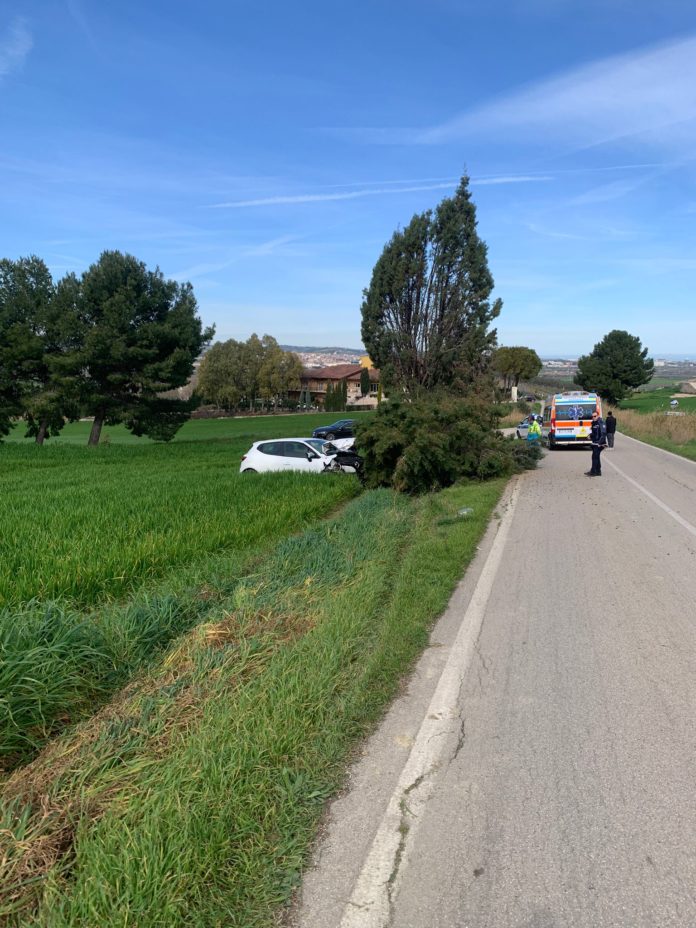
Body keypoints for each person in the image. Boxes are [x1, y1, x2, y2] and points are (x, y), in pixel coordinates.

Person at [586, 410, 607, 476]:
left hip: (600, 443)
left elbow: (603, 434)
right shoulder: (593, 423)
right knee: (596, 457)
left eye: (595, 416)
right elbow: (594, 433)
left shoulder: (601, 422)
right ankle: (598, 471)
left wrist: (599, 443)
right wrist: (590, 435)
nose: (593, 417)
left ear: (598, 416)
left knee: (594, 457)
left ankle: (593, 472)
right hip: (595, 442)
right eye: (592, 416)